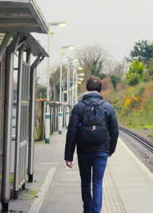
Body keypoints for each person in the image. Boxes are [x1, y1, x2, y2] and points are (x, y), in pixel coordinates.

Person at [64, 76, 119, 213]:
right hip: (102, 151)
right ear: (100, 90)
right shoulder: (108, 107)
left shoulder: (79, 107)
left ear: (87, 88)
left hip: (84, 151)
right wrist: (110, 149)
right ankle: (96, 211)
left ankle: (87, 210)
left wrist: (68, 156)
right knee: (98, 182)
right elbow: (115, 131)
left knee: (85, 182)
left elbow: (72, 132)